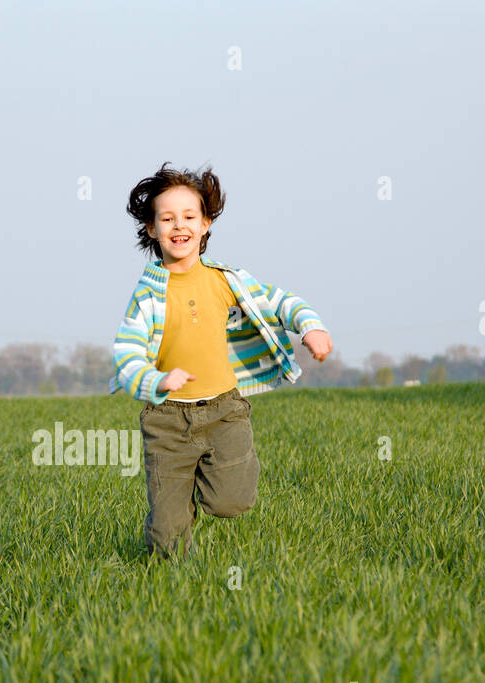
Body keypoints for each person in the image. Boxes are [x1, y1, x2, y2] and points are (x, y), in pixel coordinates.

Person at [112, 162, 333, 558]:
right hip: (167, 422)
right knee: (167, 535)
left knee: (232, 501)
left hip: (224, 411)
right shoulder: (147, 295)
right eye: (167, 218)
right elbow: (126, 352)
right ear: (151, 229)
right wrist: (155, 380)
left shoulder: (224, 280)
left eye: (188, 216)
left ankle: (209, 477)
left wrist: (310, 327)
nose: (178, 225)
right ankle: (171, 581)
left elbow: (280, 300)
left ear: (206, 223)